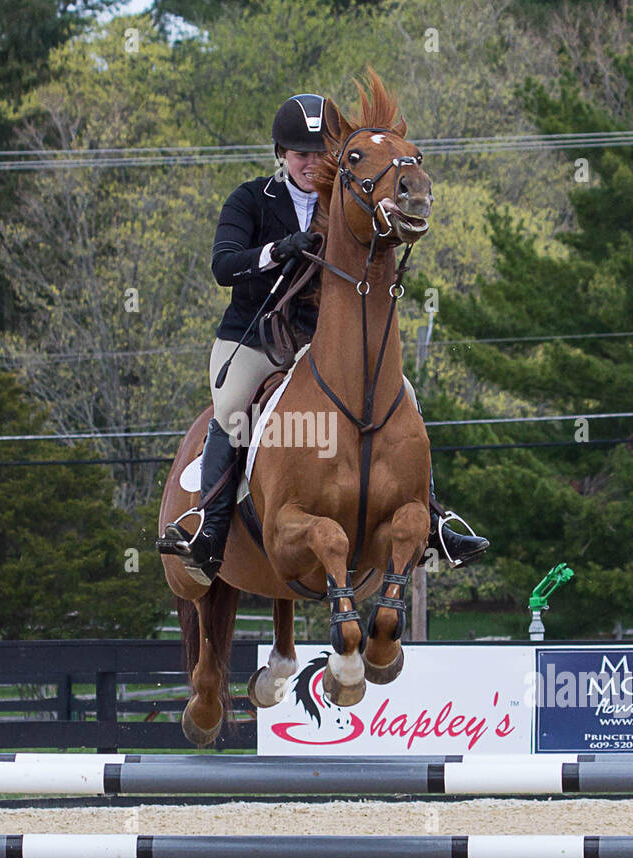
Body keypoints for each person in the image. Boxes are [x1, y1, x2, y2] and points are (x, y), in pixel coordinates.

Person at [158, 93, 488, 585]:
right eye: (300, 154)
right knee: (232, 412)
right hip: (258, 339)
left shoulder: (350, 195)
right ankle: (209, 527)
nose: (311, 163)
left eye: (319, 153)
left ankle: (435, 520)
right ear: (281, 155)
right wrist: (278, 250)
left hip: (326, 340)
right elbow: (224, 266)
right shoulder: (250, 199)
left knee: (406, 403)